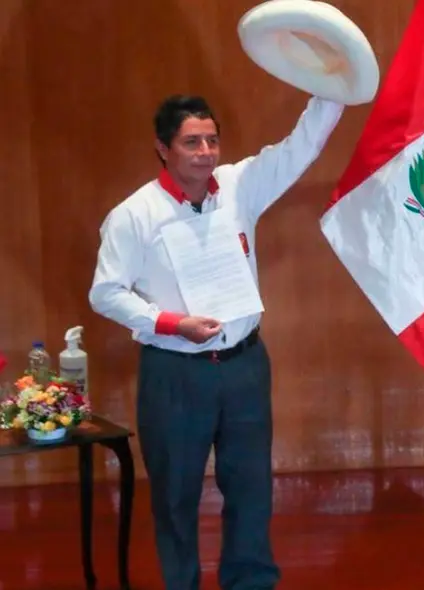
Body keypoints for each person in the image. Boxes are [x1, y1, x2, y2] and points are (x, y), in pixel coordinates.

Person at [89, 94, 344, 590]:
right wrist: (170, 322)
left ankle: (251, 582)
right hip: (176, 371)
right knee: (175, 495)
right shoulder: (135, 215)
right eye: (191, 143)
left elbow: (301, 146)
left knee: (251, 488)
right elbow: (106, 292)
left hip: (244, 364)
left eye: (212, 140)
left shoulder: (238, 185)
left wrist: (333, 87)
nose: (205, 152)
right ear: (163, 148)